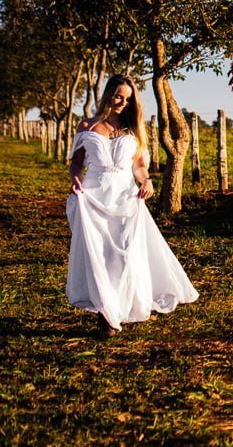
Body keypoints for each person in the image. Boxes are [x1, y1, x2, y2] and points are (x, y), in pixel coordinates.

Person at [66, 75, 198, 338]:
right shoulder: (87, 126)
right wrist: (75, 179)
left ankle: (122, 304)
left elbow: (138, 165)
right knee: (99, 256)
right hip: (94, 196)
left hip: (125, 197)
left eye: (127, 99)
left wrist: (147, 180)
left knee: (124, 254)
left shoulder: (132, 129)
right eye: (118, 96)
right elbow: (76, 162)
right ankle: (107, 316)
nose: (122, 103)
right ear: (107, 94)